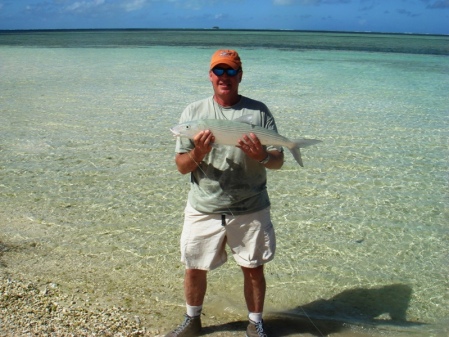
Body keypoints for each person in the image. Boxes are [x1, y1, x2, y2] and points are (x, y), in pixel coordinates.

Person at [166, 49, 284, 337]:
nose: (225, 77)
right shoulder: (193, 113)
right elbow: (182, 167)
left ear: (240, 76)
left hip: (251, 206)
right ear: (210, 75)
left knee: (254, 268)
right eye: (219, 71)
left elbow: (277, 160)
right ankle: (192, 321)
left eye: (231, 71)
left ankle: (255, 323)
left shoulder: (259, 111)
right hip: (204, 206)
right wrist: (199, 151)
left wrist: (262, 157)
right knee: (194, 266)